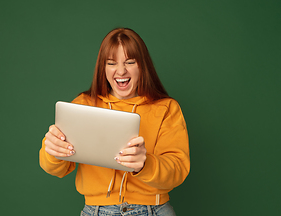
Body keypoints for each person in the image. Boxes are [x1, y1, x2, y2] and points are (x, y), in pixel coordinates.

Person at [39, 28, 190, 216]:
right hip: (96, 210)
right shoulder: (83, 105)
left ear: (142, 65)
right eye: (111, 63)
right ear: (103, 67)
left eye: (130, 62)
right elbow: (56, 169)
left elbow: (177, 171)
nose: (120, 71)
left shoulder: (167, 108)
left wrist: (144, 164)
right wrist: (53, 151)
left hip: (154, 210)